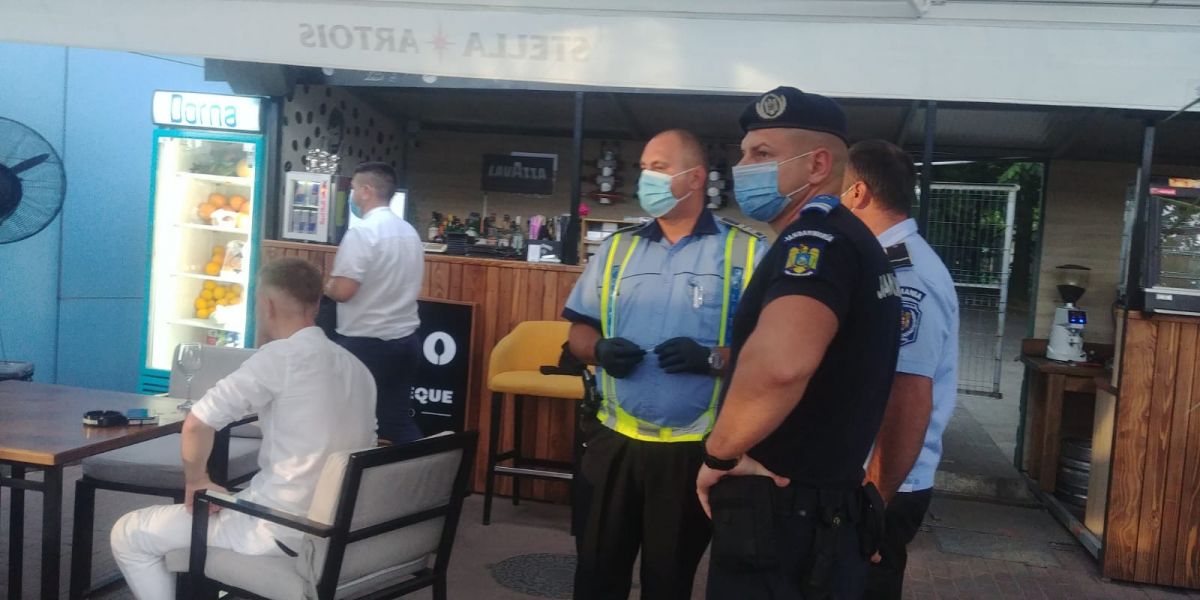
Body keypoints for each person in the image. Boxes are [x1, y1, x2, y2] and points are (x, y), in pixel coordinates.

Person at [696, 87, 902, 599]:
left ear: (817, 165)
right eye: (744, 153)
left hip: (785, 513)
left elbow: (780, 364)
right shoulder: (853, 240)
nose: (742, 167)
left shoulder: (815, 243)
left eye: (761, 154)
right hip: (820, 513)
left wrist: (719, 455)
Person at [564, 129, 765, 599]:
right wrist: (599, 350)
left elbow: (769, 352)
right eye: (643, 168)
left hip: (689, 450)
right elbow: (578, 333)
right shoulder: (618, 248)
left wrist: (713, 358)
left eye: (658, 167)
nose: (646, 178)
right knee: (595, 575)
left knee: (668, 581)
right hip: (613, 442)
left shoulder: (747, 252)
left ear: (695, 178)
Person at [110, 257, 377, 599]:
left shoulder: (279, 357)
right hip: (337, 531)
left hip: (277, 529)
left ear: (266, 305)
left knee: (129, 533)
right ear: (316, 304)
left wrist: (197, 481)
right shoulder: (358, 369)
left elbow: (197, 424)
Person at [841, 139, 959, 600]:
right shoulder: (879, 262)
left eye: (835, 192)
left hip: (883, 481)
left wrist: (874, 500)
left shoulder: (906, 275)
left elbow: (907, 397)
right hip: (868, 476)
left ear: (858, 193)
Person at [325, 162, 425, 445]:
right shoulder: (409, 232)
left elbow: (344, 290)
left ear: (367, 191)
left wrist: (326, 285)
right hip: (405, 341)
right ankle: (428, 470)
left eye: (354, 188)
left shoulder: (362, 233)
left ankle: (346, 475)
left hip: (365, 343)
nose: (352, 195)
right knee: (396, 420)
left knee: (347, 420)